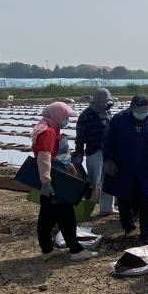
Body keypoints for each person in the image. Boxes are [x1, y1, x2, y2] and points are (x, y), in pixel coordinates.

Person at [31, 102, 98, 261]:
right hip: (55, 181)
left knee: (47, 217)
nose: (67, 120)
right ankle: (76, 251)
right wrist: (46, 182)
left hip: (54, 177)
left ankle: (47, 250)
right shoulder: (48, 132)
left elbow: (56, 154)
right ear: (57, 115)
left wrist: (68, 164)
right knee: (66, 217)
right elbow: (44, 158)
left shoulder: (47, 127)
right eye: (66, 117)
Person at [102, 94, 148, 244]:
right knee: (124, 198)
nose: (140, 113)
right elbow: (108, 142)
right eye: (137, 110)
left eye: (143, 110)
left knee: (146, 200)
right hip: (123, 166)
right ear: (131, 108)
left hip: (146, 168)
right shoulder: (119, 120)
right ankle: (128, 226)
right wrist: (109, 161)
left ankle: (146, 233)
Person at [74, 88, 116, 216]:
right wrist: (79, 153)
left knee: (109, 178)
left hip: (108, 151)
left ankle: (107, 208)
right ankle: (88, 209)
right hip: (94, 151)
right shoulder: (86, 115)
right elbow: (80, 136)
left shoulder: (107, 112)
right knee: (94, 181)